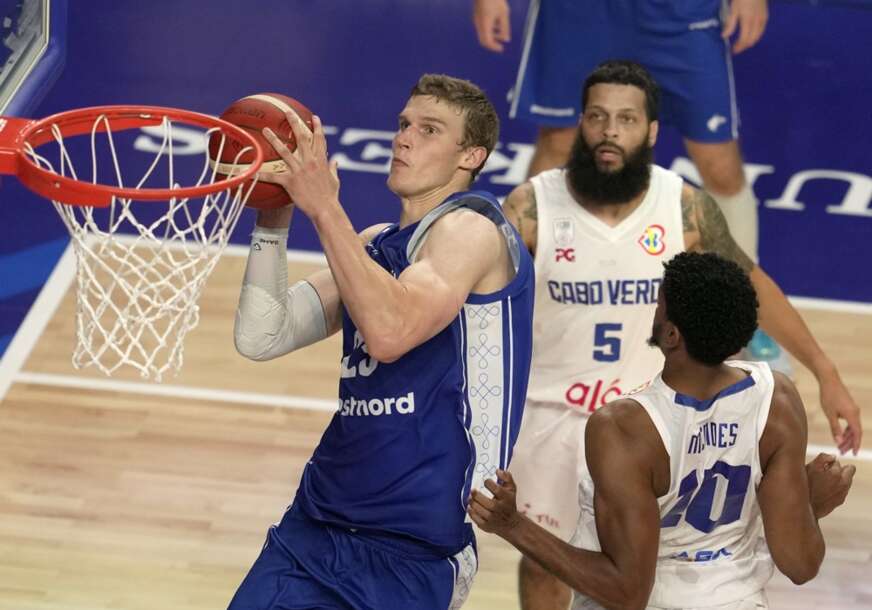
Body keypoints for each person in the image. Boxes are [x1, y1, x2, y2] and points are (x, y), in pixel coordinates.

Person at [497, 60, 862, 610]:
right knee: (547, 562)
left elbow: (751, 282)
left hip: (653, 424)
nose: (609, 132)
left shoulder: (684, 205)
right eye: (597, 117)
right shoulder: (531, 207)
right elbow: (483, 308)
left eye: (625, 119)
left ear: (650, 131)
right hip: (551, 416)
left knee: (657, 559)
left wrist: (825, 372)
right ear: (580, 123)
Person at [227, 74, 535, 610]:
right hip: (315, 525)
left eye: (429, 129)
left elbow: (391, 333)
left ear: (471, 156)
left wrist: (325, 208)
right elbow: (262, 334)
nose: (404, 138)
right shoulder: (374, 245)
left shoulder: (473, 230)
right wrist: (275, 214)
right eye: (403, 124)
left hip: (414, 549)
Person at [468, 251, 856, 610]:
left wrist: (513, 525)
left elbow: (627, 592)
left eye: (659, 302)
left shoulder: (624, 428)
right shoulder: (777, 401)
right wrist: (808, 506)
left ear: (671, 335)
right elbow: (800, 564)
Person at [472, 0, 787, 368]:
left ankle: (744, 313)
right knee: (559, 143)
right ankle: (519, 299)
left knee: (719, 163)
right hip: (577, 13)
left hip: (680, 12)